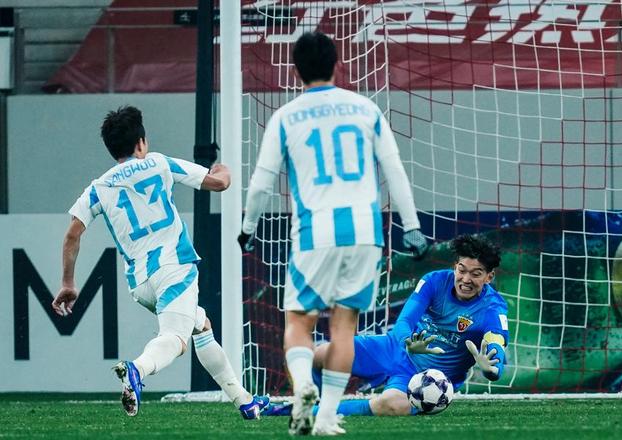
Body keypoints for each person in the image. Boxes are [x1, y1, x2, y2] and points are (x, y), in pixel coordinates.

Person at [238, 32, 428, 435]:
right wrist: (412, 226)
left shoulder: (286, 116)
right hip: (365, 233)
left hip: (316, 233)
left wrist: (247, 228)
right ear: (337, 64)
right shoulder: (365, 108)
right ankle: (326, 418)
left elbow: (260, 183)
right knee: (344, 328)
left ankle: (303, 386)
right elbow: (394, 170)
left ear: (296, 69)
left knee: (299, 321)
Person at [51, 106, 269, 419]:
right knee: (176, 339)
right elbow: (218, 183)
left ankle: (245, 401)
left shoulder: (99, 187)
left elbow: (72, 234)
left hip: (140, 283)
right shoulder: (159, 163)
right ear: (141, 143)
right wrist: (225, 170)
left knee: (200, 325)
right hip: (174, 268)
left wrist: (68, 283)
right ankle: (137, 370)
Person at [264, 233, 508, 417]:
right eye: (461, 270)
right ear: (455, 266)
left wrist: (491, 369)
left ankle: (300, 412)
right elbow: (405, 321)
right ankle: (309, 401)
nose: (465, 279)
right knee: (318, 354)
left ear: (489, 276)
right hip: (394, 348)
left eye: (476, 274)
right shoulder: (435, 281)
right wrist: (408, 342)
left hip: (426, 379)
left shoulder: (493, 309)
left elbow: (495, 348)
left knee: (393, 404)